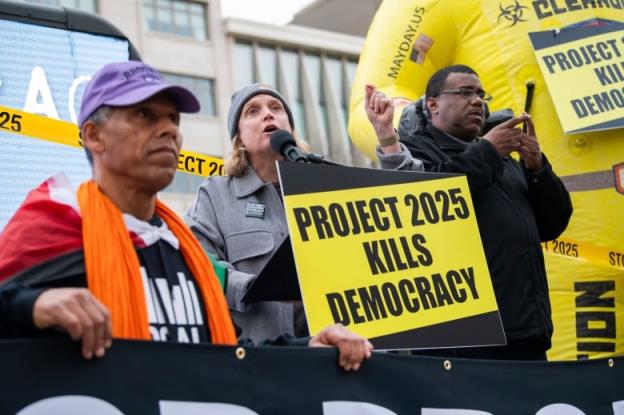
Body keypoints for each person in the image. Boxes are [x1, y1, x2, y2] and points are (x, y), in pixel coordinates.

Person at [0, 61, 372, 371]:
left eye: (173, 119)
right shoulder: (57, 222)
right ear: (94, 136)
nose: (169, 131)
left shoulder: (182, 251)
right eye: (144, 115)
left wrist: (308, 348)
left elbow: (228, 350)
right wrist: (31, 307)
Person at [365, 64, 572, 360]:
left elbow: (552, 225)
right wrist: (488, 150)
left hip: (526, 330)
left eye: (480, 94)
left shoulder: (503, 159)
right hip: (462, 339)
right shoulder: (417, 150)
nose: (477, 101)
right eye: (465, 92)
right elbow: (430, 202)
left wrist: (537, 168)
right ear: (433, 103)